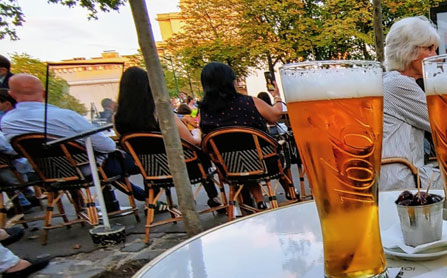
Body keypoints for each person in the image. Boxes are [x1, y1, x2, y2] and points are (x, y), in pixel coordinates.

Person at [1, 74, 147, 211]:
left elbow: (13, 149)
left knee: (106, 162)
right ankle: (149, 201)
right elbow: (106, 146)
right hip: (87, 169)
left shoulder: (7, 122)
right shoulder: (65, 116)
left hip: (46, 173)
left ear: (12, 95)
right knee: (140, 160)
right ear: (44, 93)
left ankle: (140, 196)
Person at [113, 67, 221, 211]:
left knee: (146, 157)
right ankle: (214, 197)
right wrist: (196, 132)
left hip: (150, 171)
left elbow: (126, 146)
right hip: (184, 167)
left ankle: (150, 202)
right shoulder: (162, 113)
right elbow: (191, 141)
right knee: (199, 151)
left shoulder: (117, 118)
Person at [198, 62, 285, 207]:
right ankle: (290, 190)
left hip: (230, 168)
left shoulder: (204, 111)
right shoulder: (249, 102)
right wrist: (277, 96)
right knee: (280, 147)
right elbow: (275, 116)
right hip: (264, 162)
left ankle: (259, 201)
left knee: (241, 159)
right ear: (230, 81)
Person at [381, 16, 443, 191]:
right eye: (429, 48)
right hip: (401, 177)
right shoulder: (399, 84)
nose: (436, 57)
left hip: (400, 172)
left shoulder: (389, 80)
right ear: (408, 51)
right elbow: (445, 125)